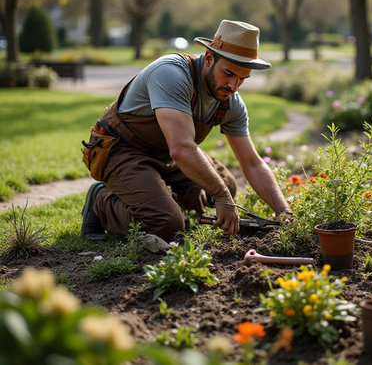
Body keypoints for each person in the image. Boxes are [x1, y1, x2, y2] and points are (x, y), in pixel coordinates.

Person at [81, 19, 291, 241]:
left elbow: (252, 163)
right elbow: (181, 147)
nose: (233, 86)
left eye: (242, 79)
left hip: (165, 156)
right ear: (209, 58)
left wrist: (283, 210)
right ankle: (101, 201)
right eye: (228, 73)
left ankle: (160, 198)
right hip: (122, 151)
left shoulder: (230, 102)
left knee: (227, 183)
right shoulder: (171, 73)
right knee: (166, 223)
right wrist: (221, 196)